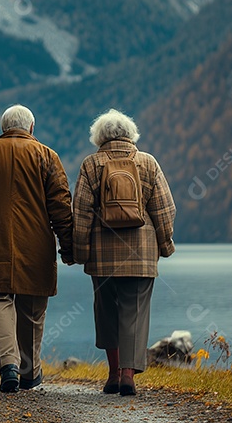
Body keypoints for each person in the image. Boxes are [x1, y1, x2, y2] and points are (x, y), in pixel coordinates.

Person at [0, 104, 74, 393]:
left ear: (4, 128)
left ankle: (8, 366)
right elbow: (61, 206)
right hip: (36, 245)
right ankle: (29, 371)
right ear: (31, 128)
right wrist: (69, 246)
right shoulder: (48, 156)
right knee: (32, 306)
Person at [71, 109, 175, 396]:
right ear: (131, 135)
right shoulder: (148, 163)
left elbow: (80, 213)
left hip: (102, 256)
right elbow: (165, 210)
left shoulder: (91, 165)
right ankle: (129, 376)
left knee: (107, 313)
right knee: (134, 313)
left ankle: (113, 374)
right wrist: (165, 245)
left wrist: (80, 252)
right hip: (141, 252)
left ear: (99, 137)